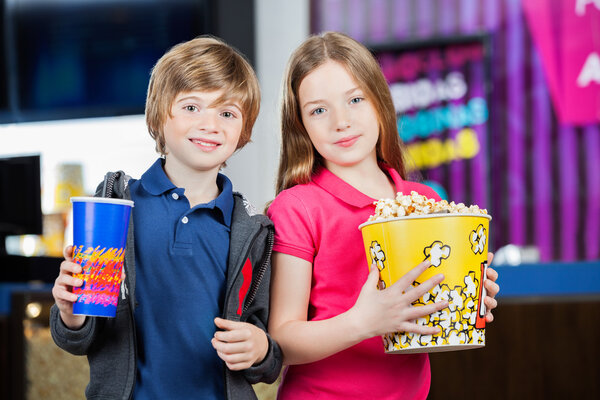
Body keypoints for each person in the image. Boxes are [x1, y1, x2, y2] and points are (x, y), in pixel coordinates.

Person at [266, 31, 499, 399]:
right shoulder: (297, 208)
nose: (340, 121)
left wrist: (464, 303)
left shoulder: (423, 201)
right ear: (300, 124)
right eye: (319, 110)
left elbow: (430, 331)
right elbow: (281, 339)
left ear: (380, 102)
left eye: (355, 99)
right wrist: (363, 322)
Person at [50, 36, 282, 400]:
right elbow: (79, 337)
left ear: (243, 131)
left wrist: (261, 349)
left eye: (227, 113)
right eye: (192, 107)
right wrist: (70, 313)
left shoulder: (253, 230)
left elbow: (267, 357)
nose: (210, 124)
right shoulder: (114, 203)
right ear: (159, 114)